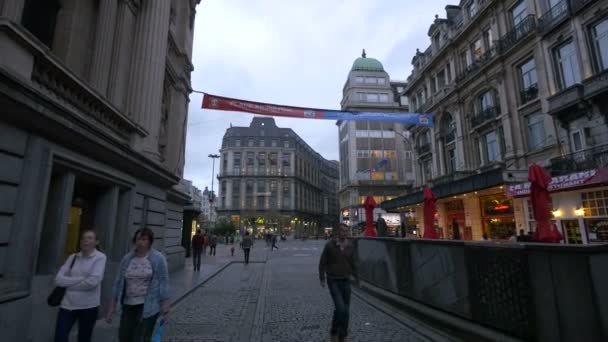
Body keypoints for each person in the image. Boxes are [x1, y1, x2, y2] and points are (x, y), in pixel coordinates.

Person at [106, 228, 170, 342]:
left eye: (144, 239)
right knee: (125, 337)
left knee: (141, 337)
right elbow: (118, 282)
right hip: (128, 305)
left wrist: (165, 304)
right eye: (138, 239)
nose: (140, 242)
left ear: (150, 241)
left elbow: (164, 281)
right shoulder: (127, 259)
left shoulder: (158, 258)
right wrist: (112, 306)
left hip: (148, 306)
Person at [53, 230, 107, 342]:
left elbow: (92, 282)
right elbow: (58, 279)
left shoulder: (100, 257)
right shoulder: (73, 257)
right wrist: (81, 279)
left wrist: (68, 282)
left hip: (88, 306)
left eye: (90, 238)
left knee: (84, 338)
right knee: (60, 337)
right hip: (67, 305)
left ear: (96, 242)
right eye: (83, 238)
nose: (85, 240)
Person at [319, 223, 358, 342]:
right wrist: (322, 278)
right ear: (338, 232)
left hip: (346, 280)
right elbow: (322, 263)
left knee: (344, 309)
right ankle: (339, 334)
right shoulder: (330, 245)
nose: (344, 233)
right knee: (341, 308)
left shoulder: (350, 246)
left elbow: (353, 263)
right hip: (333, 280)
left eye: (346, 231)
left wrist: (358, 278)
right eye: (342, 231)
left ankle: (340, 334)